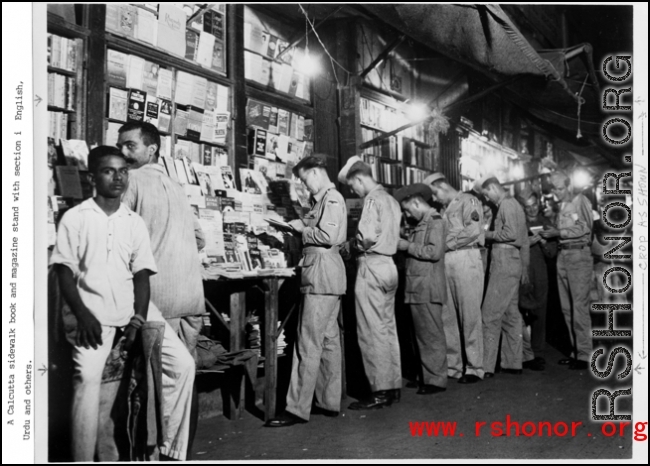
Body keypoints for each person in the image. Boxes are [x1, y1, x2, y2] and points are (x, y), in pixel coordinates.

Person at [50, 146, 194, 461]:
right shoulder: (76, 218)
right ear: (92, 177)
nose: (118, 177)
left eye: (123, 170)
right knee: (88, 383)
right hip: (93, 315)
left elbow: (142, 276)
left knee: (183, 365)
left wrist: (137, 321)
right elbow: (63, 272)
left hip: (133, 310)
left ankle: (170, 451)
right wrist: (83, 315)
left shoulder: (133, 221)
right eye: (108, 171)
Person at [117, 121, 206, 455]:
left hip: (158, 300)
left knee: (153, 388)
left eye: (130, 146)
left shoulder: (131, 181)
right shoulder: (175, 184)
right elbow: (200, 237)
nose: (122, 153)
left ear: (151, 150)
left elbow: (117, 236)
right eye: (120, 146)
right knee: (185, 380)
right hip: (191, 297)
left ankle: (154, 456)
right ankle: (183, 453)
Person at [266, 156, 348, 427]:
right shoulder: (322, 200)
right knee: (327, 341)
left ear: (315, 172)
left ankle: (296, 408)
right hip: (326, 277)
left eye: (303, 178)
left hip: (321, 278)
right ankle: (328, 401)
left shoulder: (332, 198)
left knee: (307, 342)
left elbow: (329, 236)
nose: (302, 184)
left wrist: (302, 230)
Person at [338, 156, 403, 410]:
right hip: (389, 265)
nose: (353, 190)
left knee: (371, 332)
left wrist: (348, 247)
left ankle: (379, 390)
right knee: (387, 329)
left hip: (371, 266)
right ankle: (392, 386)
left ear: (358, 178)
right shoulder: (392, 200)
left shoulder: (372, 199)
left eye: (353, 186)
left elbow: (364, 238)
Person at [426, 173, 485, 384]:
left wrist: (447, 243)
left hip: (465, 257)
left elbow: (473, 230)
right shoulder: (444, 210)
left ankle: (475, 367)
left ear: (442, 186)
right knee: (448, 315)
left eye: (434, 193)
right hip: (446, 261)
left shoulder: (469, 201)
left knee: (469, 314)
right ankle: (454, 365)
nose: (434, 199)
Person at [394, 184, 448, 394]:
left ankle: (436, 380)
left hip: (427, 287)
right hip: (418, 287)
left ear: (417, 202)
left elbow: (434, 252)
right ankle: (425, 376)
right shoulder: (423, 223)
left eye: (408, 209)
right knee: (421, 335)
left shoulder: (435, 222)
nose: (408, 214)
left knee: (431, 335)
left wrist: (408, 246)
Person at [539, 171, 593, 370]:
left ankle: (586, 355)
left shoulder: (581, 201)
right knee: (567, 308)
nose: (557, 192)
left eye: (560, 188)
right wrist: (550, 235)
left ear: (569, 186)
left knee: (579, 307)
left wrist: (558, 232)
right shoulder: (562, 206)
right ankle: (576, 351)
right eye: (553, 189)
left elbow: (585, 229)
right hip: (564, 255)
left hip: (578, 256)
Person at [477, 174, 529, 378]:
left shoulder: (507, 204)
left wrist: (485, 235)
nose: (487, 198)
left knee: (489, 314)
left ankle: (486, 366)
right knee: (510, 314)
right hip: (512, 262)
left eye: (486, 193)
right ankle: (513, 362)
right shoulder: (515, 204)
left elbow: (511, 235)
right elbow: (522, 239)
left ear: (493, 187)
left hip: (504, 260)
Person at [517, 190, 557, 371]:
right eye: (527, 206)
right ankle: (523, 353)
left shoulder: (546, 223)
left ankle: (538, 352)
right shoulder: (518, 222)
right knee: (519, 310)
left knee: (540, 312)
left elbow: (552, 252)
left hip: (540, 271)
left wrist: (542, 242)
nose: (531, 209)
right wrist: (527, 242)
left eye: (534, 205)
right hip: (521, 270)